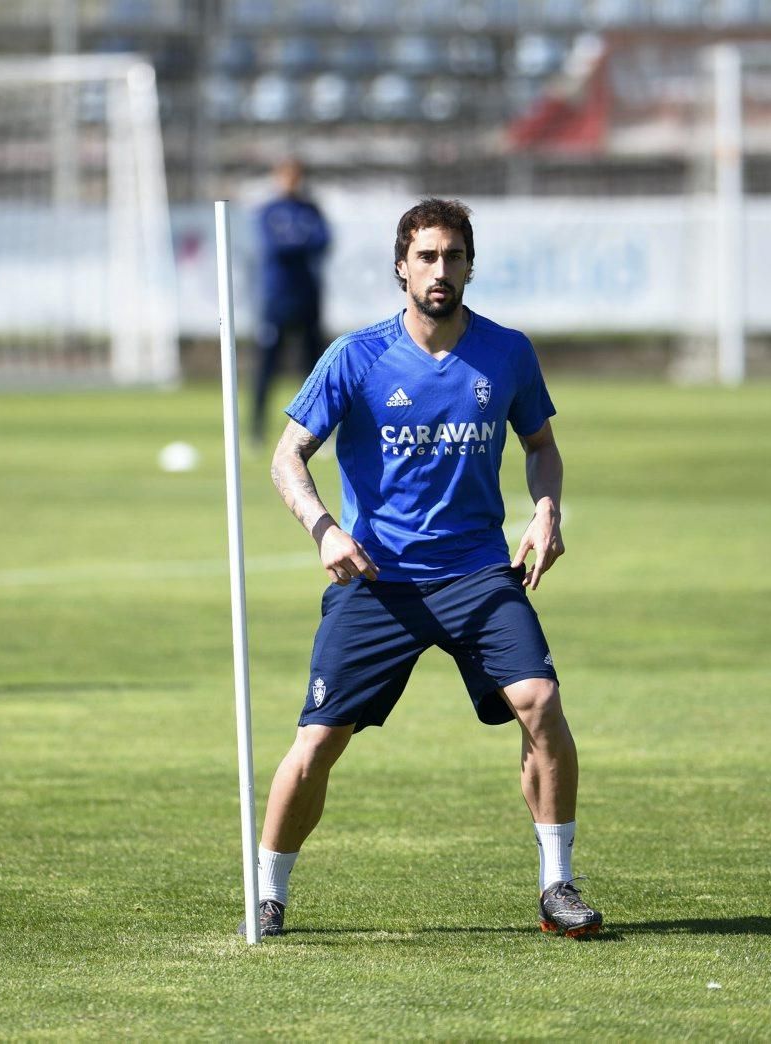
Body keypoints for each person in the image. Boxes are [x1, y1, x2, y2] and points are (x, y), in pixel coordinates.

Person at [247, 198, 602, 939]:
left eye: (454, 256)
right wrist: (323, 529)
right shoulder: (356, 355)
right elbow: (288, 455)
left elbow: (540, 445)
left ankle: (557, 885)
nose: (441, 270)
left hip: (477, 574)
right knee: (317, 743)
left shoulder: (507, 352)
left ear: (471, 264)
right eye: (427, 257)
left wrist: (546, 510)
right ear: (401, 267)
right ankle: (269, 893)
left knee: (540, 704)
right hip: (377, 579)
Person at [251, 158, 331, 444]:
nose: (291, 182)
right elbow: (274, 247)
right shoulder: (270, 212)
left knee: (314, 367)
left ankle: (317, 430)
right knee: (267, 365)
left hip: (308, 296)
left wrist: (294, 242)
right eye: (286, 176)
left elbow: (323, 242)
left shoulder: (311, 210)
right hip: (277, 298)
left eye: (295, 176)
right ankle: (257, 429)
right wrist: (300, 242)